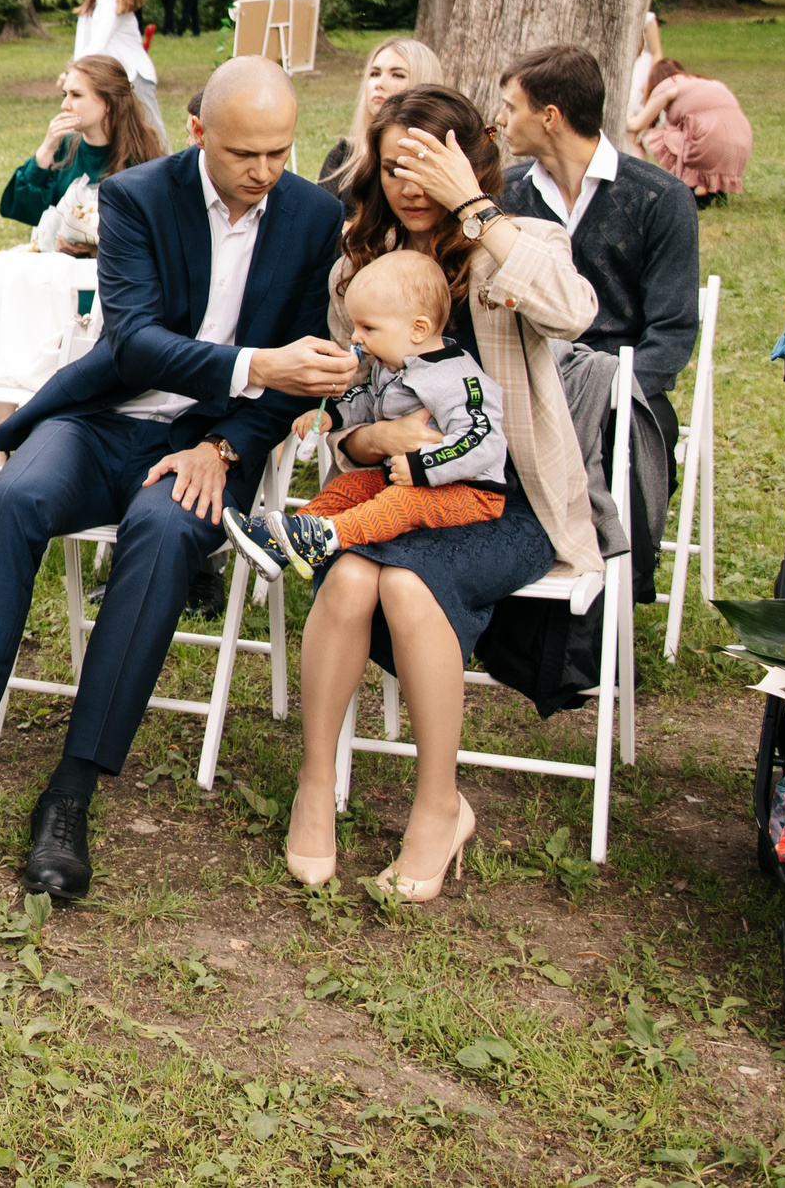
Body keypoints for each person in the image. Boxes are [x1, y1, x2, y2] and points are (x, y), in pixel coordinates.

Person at [0, 59, 353, 894]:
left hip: (213, 442)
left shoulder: (315, 214)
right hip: (102, 419)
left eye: (281, 151)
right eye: (247, 152)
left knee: (166, 531)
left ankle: (70, 793)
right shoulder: (138, 196)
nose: (266, 172)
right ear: (201, 129)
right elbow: (135, 341)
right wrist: (256, 362)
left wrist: (228, 446)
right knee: (13, 499)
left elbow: (303, 373)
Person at [276, 86, 601, 902]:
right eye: (394, 166)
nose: (409, 184)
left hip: (508, 501)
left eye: (428, 164)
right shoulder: (360, 270)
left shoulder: (516, 241)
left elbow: (576, 311)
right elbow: (343, 411)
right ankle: (316, 786)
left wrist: (478, 211)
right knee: (352, 574)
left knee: (411, 581)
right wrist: (370, 439)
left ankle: (438, 804)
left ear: (468, 159)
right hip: (390, 485)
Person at [493, 44, 699, 600]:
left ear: (550, 117)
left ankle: (611, 604)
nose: (501, 120)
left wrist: (609, 391)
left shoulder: (661, 198)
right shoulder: (503, 198)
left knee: (629, 432)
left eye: (511, 108)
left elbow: (673, 331)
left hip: (622, 385)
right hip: (521, 380)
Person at [225, 248, 509, 582]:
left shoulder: (459, 379)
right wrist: (332, 415)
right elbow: (368, 398)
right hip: (410, 477)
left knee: (402, 501)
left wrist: (423, 465)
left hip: (470, 492)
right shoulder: (392, 368)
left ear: (418, 329)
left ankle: (325, 538)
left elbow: (481, 439)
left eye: (368, 328)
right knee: (352, 484)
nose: (356, 338)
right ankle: (284, 538)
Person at [0, 52, 166, 241]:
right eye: (64, 94)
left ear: (107, 103)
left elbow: (154, 231)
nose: (64, 105)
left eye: (76, 95)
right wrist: (46, 150)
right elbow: (22, 209)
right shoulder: (63, 149)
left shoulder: (142, 159)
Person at [317, 36, 445, 192]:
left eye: (398, 75)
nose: (379, 84)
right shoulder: (343, 156)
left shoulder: (441, 164)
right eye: (374, 74)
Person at [629, 54, 752, 205]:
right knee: (687, 137)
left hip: (710, 144)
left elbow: (636, 125)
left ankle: (645, 185)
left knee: (642, 137)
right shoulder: (705, 82)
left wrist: (626, 114)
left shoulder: (667, 85)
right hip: (741, 147)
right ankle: (714, 188)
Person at [71, 0, 162, 142]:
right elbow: (84, 44)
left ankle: (175, 175)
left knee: (154, 140)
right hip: (115, 80)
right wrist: (74, 72)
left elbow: (98, 42)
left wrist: (75, 72)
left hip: (135, 77)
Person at [623, 10, 666, 154]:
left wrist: (650, 81)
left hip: (640, 72)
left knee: (633, 134)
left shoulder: (647, 18)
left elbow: (657, 52)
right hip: (622, 68)